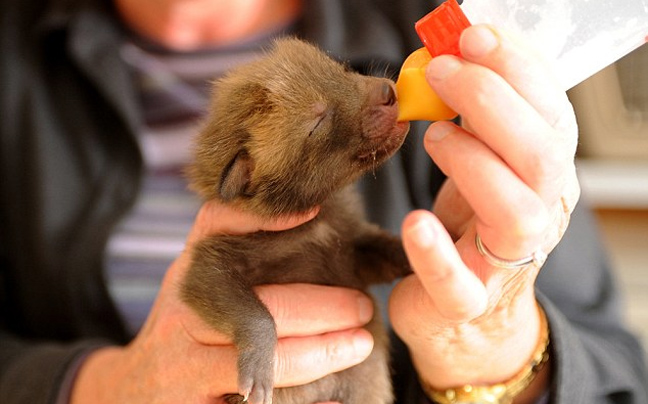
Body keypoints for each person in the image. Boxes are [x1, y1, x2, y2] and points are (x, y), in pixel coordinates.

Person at [1, 0, 646, 403]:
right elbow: (211, 282)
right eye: (314, 125)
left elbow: (620, 374)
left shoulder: (445, 32)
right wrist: (99, 389)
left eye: (346, 74)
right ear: (246, 179)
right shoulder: (15, 58)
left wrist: (485, 344)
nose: (379, 91)